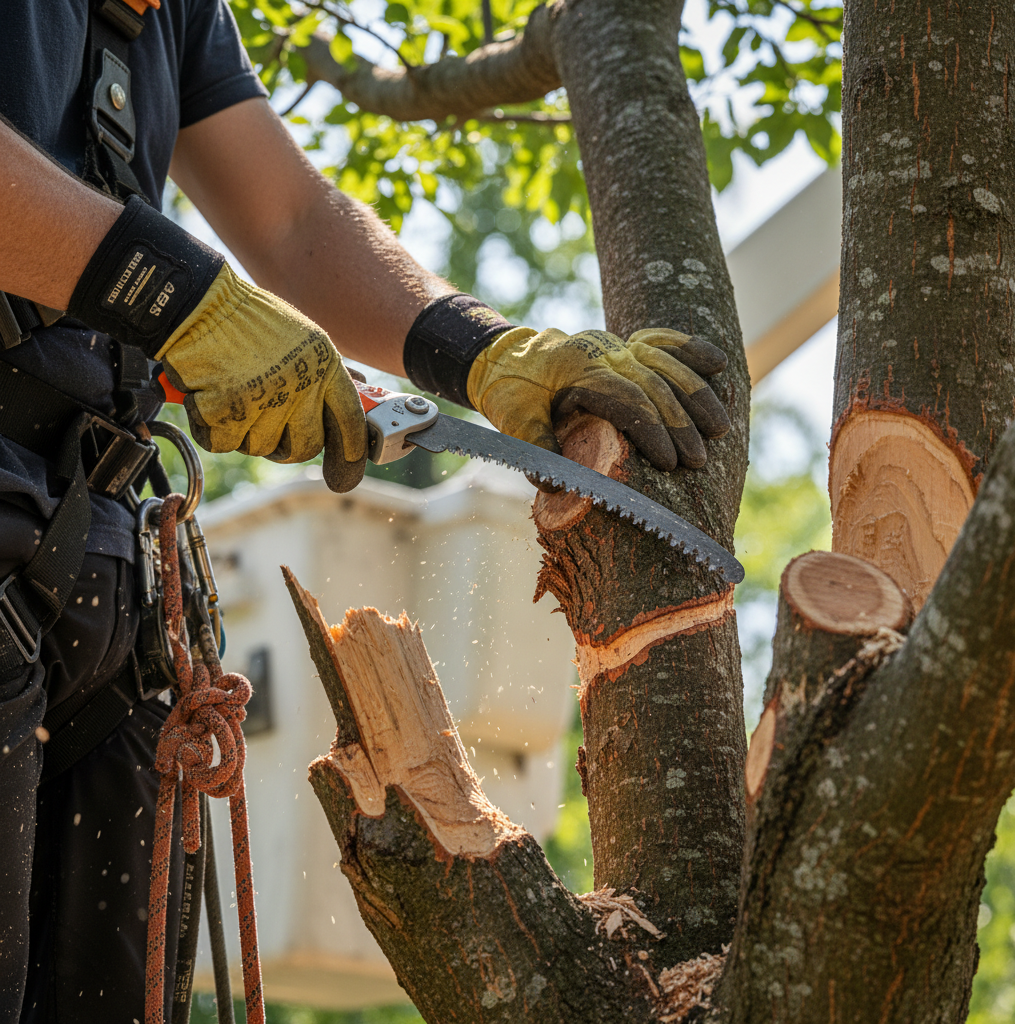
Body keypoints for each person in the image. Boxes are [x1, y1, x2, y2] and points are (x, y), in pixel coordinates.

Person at [0, 1, 731, 1020]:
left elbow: (291, 220)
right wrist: (180, 298)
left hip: (105, 571)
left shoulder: (173, 17)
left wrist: (482, 350)